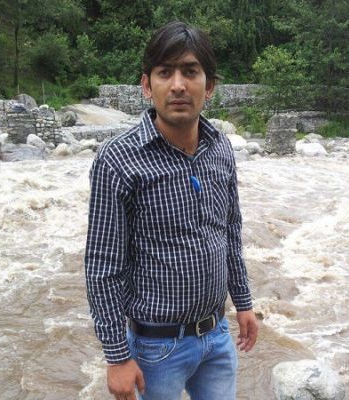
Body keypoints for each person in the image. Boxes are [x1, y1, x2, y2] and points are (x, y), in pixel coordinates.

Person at [85, 21, 258, 400]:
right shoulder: (118, 160)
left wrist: (243, 303)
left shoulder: (220, 148)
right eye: (165, 72)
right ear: (147, 86)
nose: (178, 85)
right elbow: (102, 266)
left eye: (190, 72)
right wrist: (117, 357)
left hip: (217, 336)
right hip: (155, 349)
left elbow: (230, 232)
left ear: (209, 86)